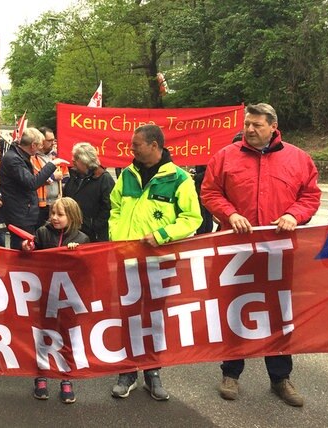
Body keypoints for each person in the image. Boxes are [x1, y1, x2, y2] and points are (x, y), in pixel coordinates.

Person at [201, 103, 320, 407]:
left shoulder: (298, 159)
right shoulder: (224, 157)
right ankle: (231, 373)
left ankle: (280, 378)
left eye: (256, 125)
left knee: (278, 314)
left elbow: (310, 195)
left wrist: (295, 214)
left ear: (273, 126)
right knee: (235, 310)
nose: (249, 130)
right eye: (247, 124)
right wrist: (230, 213)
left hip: (279, 251)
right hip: (235, 250)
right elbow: (210, 192)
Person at [109, 124, 202, 401]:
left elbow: (192, 218)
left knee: (154, 317)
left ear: (154, 145)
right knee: (128, 315)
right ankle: (127, 372)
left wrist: (162, 235)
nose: (131, 149)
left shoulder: (179, 178)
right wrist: (116, 236)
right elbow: (114, 208)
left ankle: (152, 370)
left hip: (159, 261)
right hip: (127, 259)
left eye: (136, 144)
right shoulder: (126, 174)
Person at [22, 197, 90, 404]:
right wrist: (28, 248)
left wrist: (78, 254)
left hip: (68, 298)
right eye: (52, 213)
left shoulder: (83, 239)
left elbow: (87, 269)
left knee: (66, 337)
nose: (54, 218)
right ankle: (41, 375)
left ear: (73, 217)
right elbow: (31, 255)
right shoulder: (42, 233)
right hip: (44, 293)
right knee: (41, 335)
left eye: (60, 214)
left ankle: (65, 378)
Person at [0, 127, 65, 249]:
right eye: (40, 145)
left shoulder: (19, 156)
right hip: (20, 216)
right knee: (22, 249)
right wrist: (52, 165)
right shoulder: (14, 160)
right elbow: (32, 183)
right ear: (33, 145)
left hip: (24, 213)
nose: (41, 148)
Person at [63, 142, 115, 242]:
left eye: (76, 159)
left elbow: (109, 207)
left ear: (85, 161)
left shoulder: (104, 179)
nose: (72, 161)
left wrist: (93, 225)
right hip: (73, 232)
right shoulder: (73, 177)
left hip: (95, 236)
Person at [32, 126, 67, 227]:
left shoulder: (57, 155)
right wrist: (52, 177)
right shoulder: (33, 157)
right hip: (40, 204)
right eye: (49, 140)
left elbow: (65, 176)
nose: (53, 143)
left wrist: (63, 194)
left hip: (56, 202)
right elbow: (34, 179)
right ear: (41, 140)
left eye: (54, 140)